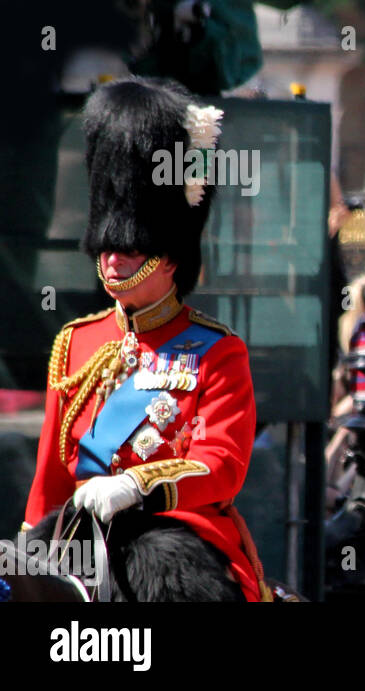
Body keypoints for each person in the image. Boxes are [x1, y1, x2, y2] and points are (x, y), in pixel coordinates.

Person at [23, 76, 268, 601]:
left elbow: (221, 464)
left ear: (170, 253)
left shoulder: (218, 352)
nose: (113, 258)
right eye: (108, 246)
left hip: (174, 531)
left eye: (131, 248)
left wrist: (138, 486)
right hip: (76, 533)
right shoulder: (76, 342)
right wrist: (26, 554)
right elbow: (49, 477)